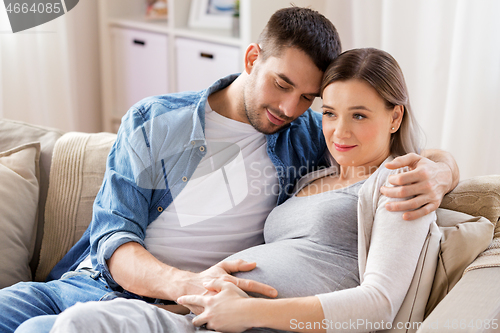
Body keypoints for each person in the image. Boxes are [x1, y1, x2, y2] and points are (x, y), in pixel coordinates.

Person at [0, 7, 457, 333]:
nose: (289, 107)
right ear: (252, 58)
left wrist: (441, 172)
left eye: (307, 98)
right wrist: (190, 284)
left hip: (180, 315)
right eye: (282, 84)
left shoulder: (311, 134)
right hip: (89, 284)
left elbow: (388, 141)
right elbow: (112, 238)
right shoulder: (155, 120)